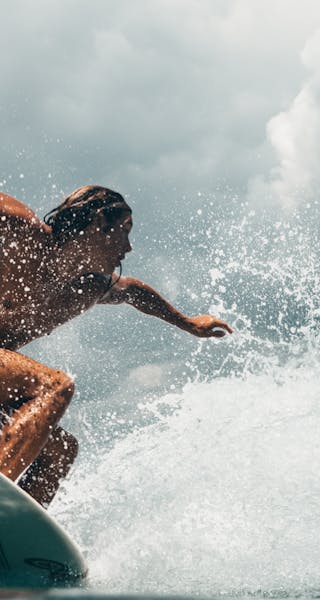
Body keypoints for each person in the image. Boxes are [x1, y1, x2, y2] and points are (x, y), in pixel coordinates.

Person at [0, 185, 233, 508]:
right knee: (54, 387)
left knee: (61, 450)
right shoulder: (21, 232)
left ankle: (14, 537)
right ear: (98, 223)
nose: (128, 246)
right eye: (124, 231)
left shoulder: (87, 288)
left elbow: (133, 291)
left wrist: (189, 323)